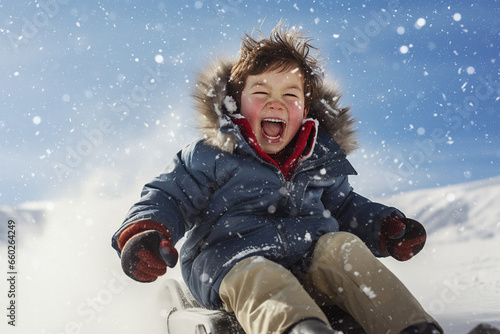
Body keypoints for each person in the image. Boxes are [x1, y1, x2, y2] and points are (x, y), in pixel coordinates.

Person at [111, 22, 443, 334]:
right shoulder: (212, 154)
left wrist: (385, 227)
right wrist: (148, 232)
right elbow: (170, 195)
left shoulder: (320, 159)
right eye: (261, 92)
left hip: (311, 269)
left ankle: (411, 326)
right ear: (237, 101)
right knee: (258, 273)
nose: (275, 102)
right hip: (232, 266)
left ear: (306, 109)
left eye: (290, 95)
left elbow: (345, 208)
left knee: (342, 246)